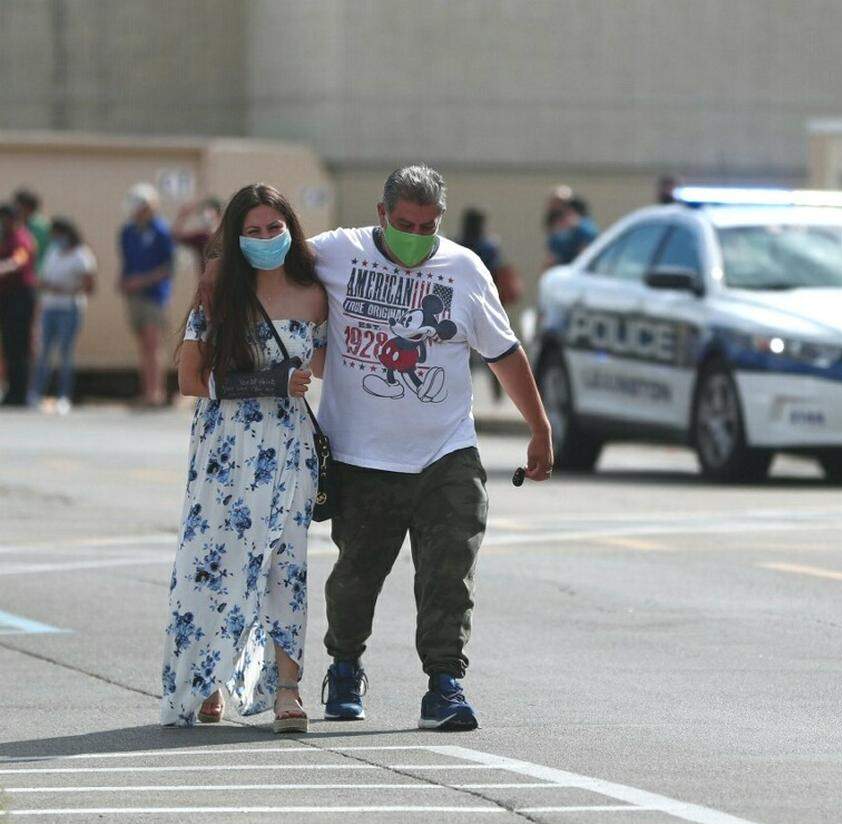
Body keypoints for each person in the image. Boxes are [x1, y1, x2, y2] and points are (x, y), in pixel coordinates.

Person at [304, 165, 552, 729]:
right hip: (361, 458)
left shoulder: (464, 269)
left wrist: (539, 426)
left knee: (449, 572)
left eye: (427, 225)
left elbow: (503, 351)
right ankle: (344, 666)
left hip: (446, 451)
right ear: (382, 214)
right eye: (404, 223)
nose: (415, 235)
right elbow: (270, 273)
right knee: (357, 575)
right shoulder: (335, 253)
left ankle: (445, 685)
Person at [161, 183, 327, 730]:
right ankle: (206, 678)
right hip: (225, 449)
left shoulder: (315, 292)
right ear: (235, 237)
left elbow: (333, 364)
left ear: (290, 230)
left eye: (273, 229)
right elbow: (190, 378)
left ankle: (287, 691)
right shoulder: (218, 293)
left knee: (286, 566)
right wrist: (270, 381)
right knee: (214, 563)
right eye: (251, 231)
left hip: (290, 450)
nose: (264, 239)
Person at [456, 208, 523, 402]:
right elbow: (496, 271)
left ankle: (462, 395)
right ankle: (498, 395)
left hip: (461, 306)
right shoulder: (489, 246)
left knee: (463, 354)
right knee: (495, 352)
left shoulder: (458, 244)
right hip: (486, 306)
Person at [31, 218, 96, 413]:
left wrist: (66, 290)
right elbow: (42, 279)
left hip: (69, 308)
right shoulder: (53, 251)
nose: (56, 239)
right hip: (50, 307)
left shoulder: (82, 255)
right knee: (44, 353)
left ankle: (63, 396)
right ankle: (35, 394)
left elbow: (89, 286)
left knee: (65, 354)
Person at [118, 183, 175, 407]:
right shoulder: (128, 231)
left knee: (153, 343)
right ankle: (147, 390)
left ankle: (156, 392)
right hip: (134, 296)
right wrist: (124, 280)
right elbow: (127, 262)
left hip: (154, 295)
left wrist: (141, 280)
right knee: (142, 344)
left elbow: (168, 267)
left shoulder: (161, 230)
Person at [0, 203, 38, 406]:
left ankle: (21, 393)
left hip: (21, 296)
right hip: (7, 297)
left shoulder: (23, 238)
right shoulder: (5, 238)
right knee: (9, 345)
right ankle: (12, 391)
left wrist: (4, 267)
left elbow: (19, 260)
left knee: (20, 345)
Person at [545, 189, 598, 267]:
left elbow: (588, 250)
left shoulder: (583, 226)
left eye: (562, 203)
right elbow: (552, 256)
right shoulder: (554, 228)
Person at [173, 197, 222, 273]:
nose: (205, 215)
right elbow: (176, 236)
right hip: (206, 282)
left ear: (218, 214)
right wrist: (183, 215)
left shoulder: (226, 235)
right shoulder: (201, 237)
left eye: (209, 210)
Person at [13, 189, 51, 271]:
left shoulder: (42, 228)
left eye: (20, 207)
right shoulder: (7, 224)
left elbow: (47, 253)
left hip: (34, 273)